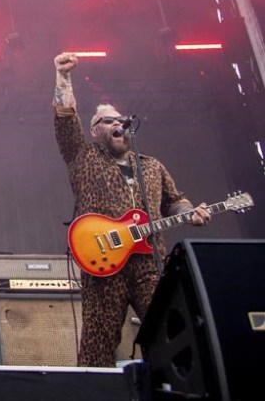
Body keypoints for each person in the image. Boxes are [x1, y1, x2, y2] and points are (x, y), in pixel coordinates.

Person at [52, 52, 211, 367]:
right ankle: (96, 388)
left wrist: (190, 211)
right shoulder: (84, 157)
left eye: (120, 120)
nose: (117, 124)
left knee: (169, 333)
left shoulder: (151, 166)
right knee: (98, 344)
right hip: (104, 264)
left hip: (148, 265)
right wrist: (63, 76)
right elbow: (65, 119)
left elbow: (174, 201)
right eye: (108, 120)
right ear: (95, 130)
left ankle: (173, 382)